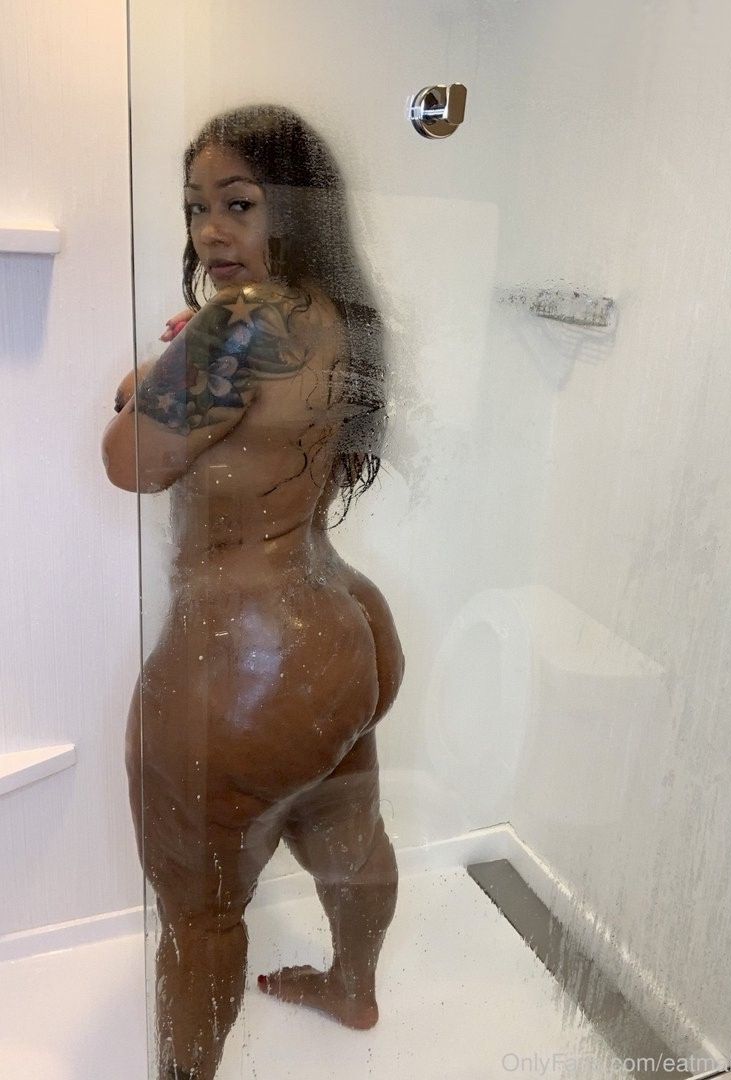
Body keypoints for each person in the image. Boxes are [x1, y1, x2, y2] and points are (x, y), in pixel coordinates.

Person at [101, 104, 404, 1080]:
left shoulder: (237, 324)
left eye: (239, 203)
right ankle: (352, 986)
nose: (211, 231)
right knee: (349, 827)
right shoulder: (332, 312)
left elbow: (129, 461)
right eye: (197, 208)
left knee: (198, 916)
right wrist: (176, 362)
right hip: (346, 631)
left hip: (250, 669)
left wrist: (164, 371)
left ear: (296, 209)